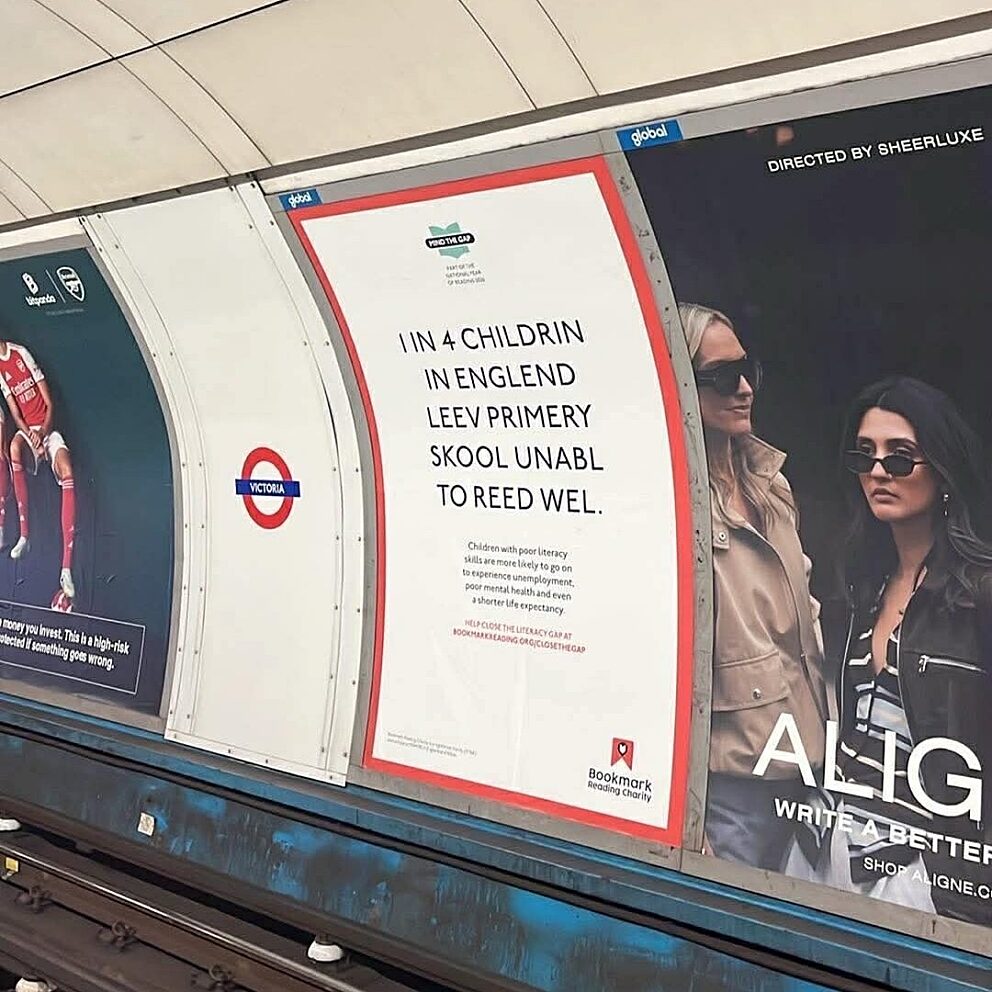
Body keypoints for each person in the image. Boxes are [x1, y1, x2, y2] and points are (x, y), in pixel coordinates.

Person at [784, 376, 992, 921]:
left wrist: (958, 880)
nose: (878, 471)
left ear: (943, 471)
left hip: (921, 874)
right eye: (865, 456)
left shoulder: (978, 596)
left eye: (901, 459)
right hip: (826, 849)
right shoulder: (862, 583)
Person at [680, 303, 829, 870]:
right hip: (729, 789)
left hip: (808, 769)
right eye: (720, 377)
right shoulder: (673, 500)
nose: (743, 388)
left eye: (748, 371)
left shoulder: (772, 485)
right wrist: (684, 807)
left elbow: (803, 618)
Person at [0, 337, 75, 601]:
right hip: (30, 434)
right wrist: (30, 435)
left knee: (68, 472)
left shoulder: (20, 353)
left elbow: (49, 404)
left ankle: (66, 568)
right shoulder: (0, 372)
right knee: (13, 448)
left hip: (48, 430)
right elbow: (16, 415)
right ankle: (24, 536)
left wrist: (43, 433)